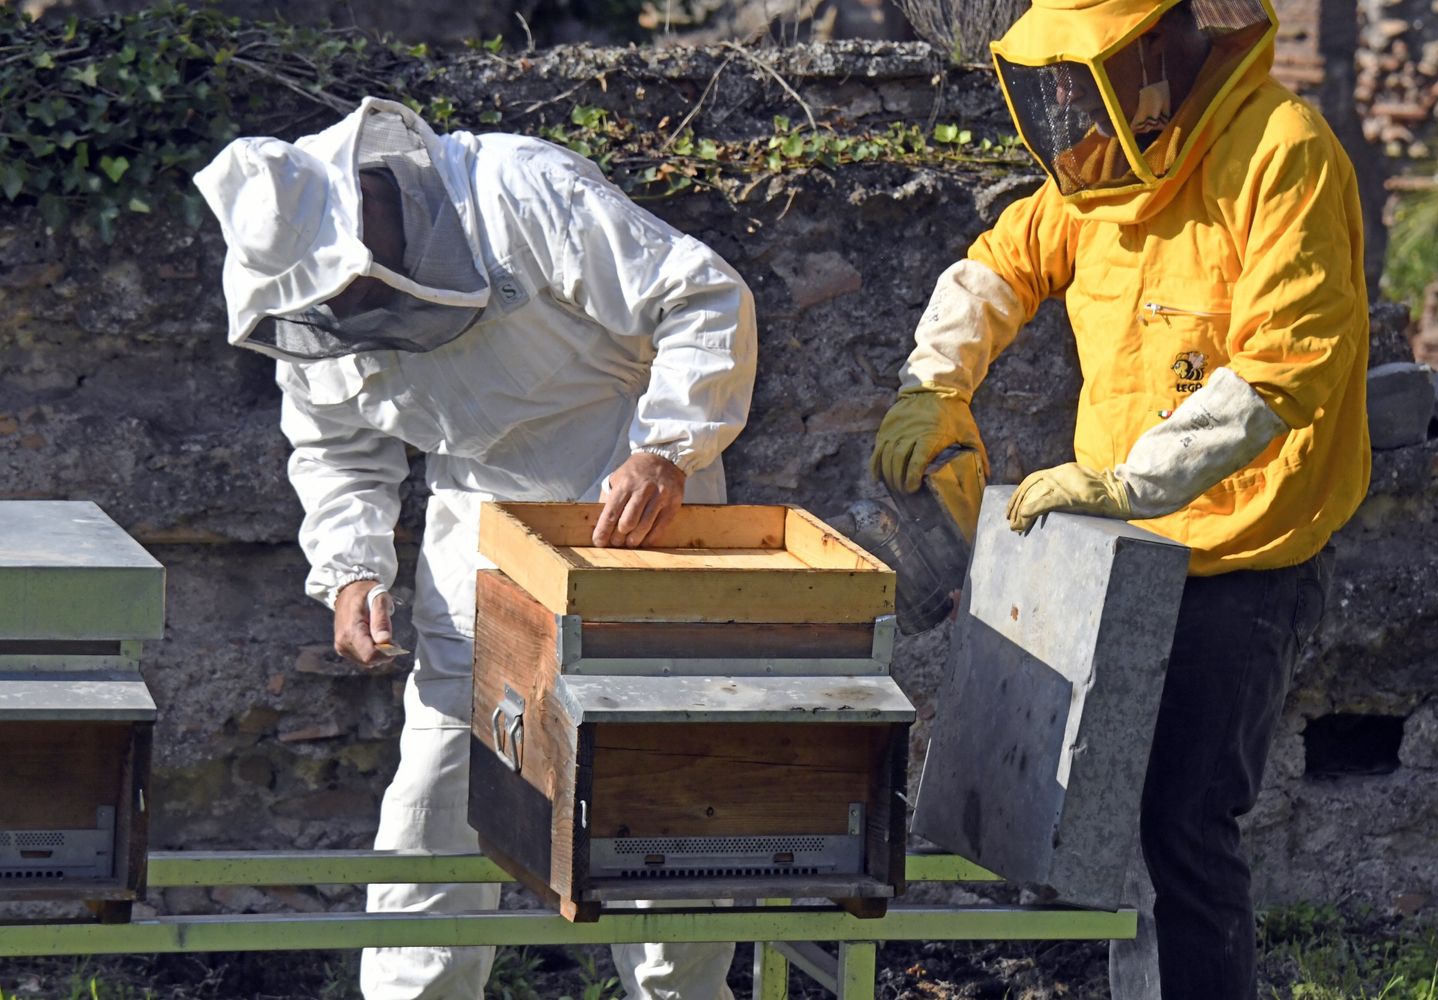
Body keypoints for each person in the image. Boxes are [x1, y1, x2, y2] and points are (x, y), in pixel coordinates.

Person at [194, 96, 755, 1000]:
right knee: (431, 816)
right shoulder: (317, 304)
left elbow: (700, 294)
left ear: (367, 204)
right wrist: (352, 569)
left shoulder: (520, 191)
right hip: (474, 543)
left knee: (653, 809)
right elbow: (338, 445)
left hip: (629, 513)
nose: (347, 306)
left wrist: (668, 448)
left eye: (346, 282)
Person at [870, 0, 1369, 996]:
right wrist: (934, 385)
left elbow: (1281, 371)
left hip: (1241, 558)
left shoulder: (1283, 153)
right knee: (1089, 825)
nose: (1062, 94)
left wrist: (1122, 482)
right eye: (1052, 73)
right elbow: (1000, 266)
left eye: (1080, 67)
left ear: (1164, 42)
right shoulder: (1101, 165)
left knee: (1185, 824)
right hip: (1112, 552)